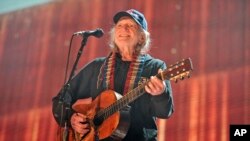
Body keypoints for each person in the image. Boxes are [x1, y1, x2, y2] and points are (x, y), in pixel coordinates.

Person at [52, 9, 174, 141]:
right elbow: (61, 99)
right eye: (120, 26)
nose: (123, 29)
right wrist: (71, 117)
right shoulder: (97, 66)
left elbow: (164, 112)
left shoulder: (155, 67)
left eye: (131, 26)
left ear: (142, 37)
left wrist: (160, 94)